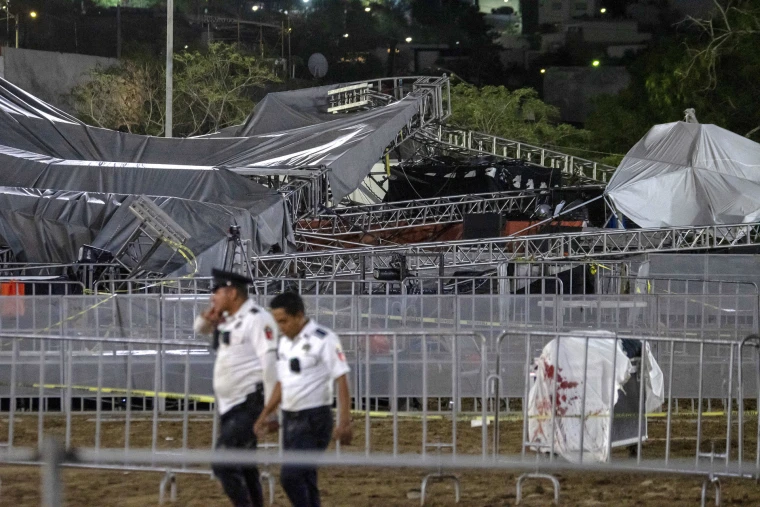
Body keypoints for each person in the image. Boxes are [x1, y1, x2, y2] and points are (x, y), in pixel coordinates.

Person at [254, 292, 352, 507]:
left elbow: (342, 379)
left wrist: (344, 420)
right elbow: (282, 382)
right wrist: (266, 413)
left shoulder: (324, 339)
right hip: (290, 419)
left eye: (283, 321)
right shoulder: (284, 344)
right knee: (306, 478)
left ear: (299, 315)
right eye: (277, 321)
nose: (280, 327)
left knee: (291, 477)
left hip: (314, 420)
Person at [193, 269, 278, 507]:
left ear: (231, 292)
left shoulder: (257, 318)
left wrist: (270, 411)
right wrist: (207, 317)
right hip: (230, 405)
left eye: (216, 293)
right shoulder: (227, 319)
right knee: (246, 465)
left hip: (249, 403)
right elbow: (200, 329)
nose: (213, 298)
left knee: (223, 463)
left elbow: (270, 364)